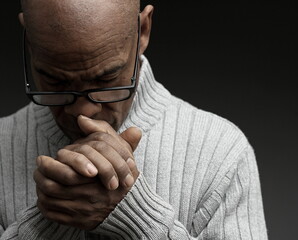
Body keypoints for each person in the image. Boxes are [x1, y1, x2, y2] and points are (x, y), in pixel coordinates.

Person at [0, 0, 268, 239]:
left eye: (105, 79)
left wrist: (134, 214)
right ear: (28, 40)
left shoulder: (222, 153)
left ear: (143, 31)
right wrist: (48, 219)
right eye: (55, 80)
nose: (84, 112)